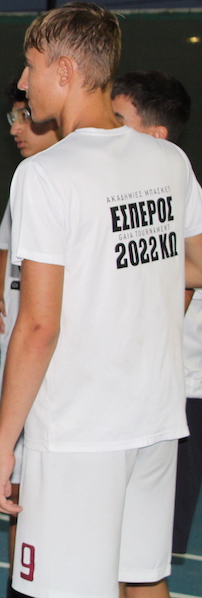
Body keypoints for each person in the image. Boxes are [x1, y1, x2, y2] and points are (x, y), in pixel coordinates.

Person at [0, 3, 202, 598]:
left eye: (30, 67)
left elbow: (38, 326)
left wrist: (4, 444)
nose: (23, 82)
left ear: (65, 70)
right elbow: (194, 266)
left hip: (80, 429)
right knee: (143, 579)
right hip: (156, 420)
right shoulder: (169, 160)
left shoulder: (45, 175)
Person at [111, 70, 199, 558]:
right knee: (125, 553)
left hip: (178, 394)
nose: (108, 129)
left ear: (157, 136)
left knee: (145, 556)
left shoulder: (178, 187)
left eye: (118, 120)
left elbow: (192, 275)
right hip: (137, 392)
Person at [0, 79, 60, 597]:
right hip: (17, 362)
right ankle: (18, 586)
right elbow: (3, 245)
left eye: (24, 116)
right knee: (18, 494)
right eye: (11, 117)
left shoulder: (60, 181)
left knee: (48, 498)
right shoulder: (26, 182)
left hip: (50, 372)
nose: (16, 127)